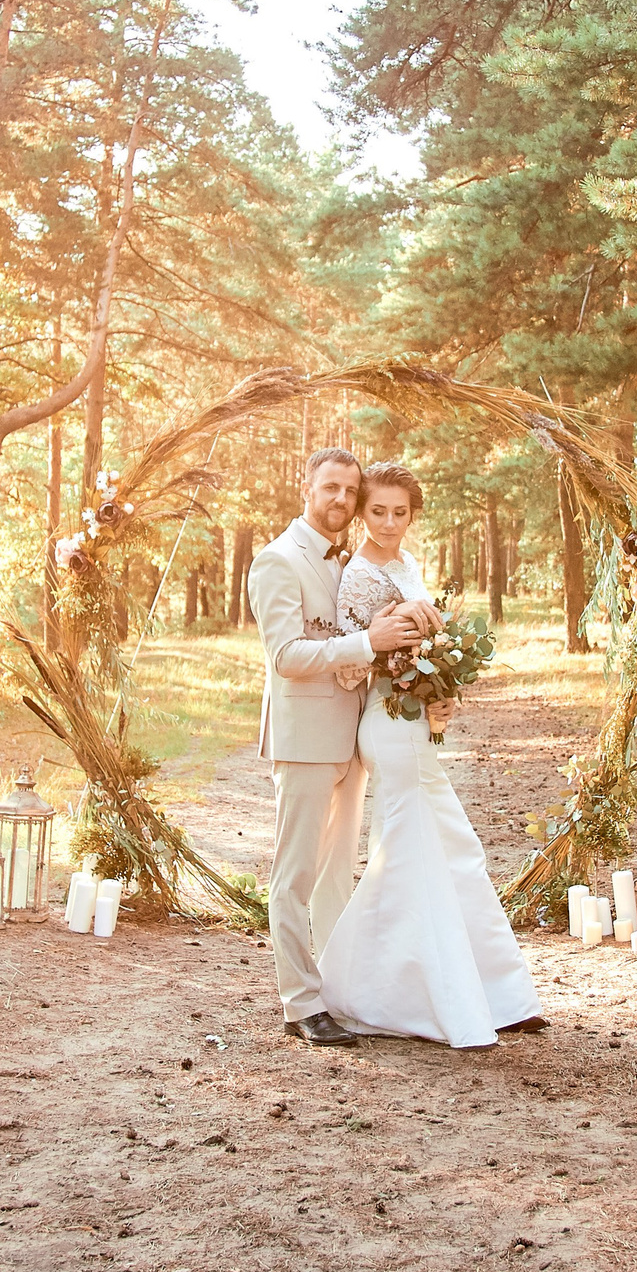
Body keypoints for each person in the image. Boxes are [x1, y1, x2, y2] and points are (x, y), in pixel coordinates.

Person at [316, 461, 544, 1048]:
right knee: (418, 856)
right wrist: (390, 647)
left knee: (453, 853)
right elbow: (349, 669)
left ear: (413, 515)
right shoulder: (359, 577)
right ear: (363, 512)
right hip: (388, 729)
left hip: (416, 723)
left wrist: (440, 691)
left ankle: (497, 994)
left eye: (400, 512)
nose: (389, 523)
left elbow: (426, 653)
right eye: (377, 511)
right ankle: (388, 994)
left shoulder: (408, 565)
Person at [247, 447, 423, 1047]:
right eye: (330, 488)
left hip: (351, 739)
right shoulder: (277, 561)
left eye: (350, 491)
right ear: (307, 486)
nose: (341, 501)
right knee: (294, 875)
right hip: (302, 741)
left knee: (337, 876)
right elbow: (285, 657)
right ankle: (299, 1004)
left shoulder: (348, 561)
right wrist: (367, 644)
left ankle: (336, 992)